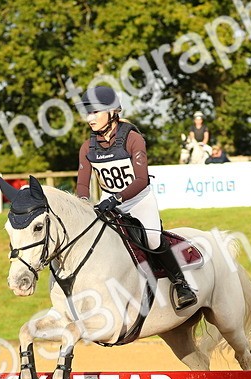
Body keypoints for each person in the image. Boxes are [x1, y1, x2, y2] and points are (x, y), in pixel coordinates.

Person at [74, 85, 197, 311]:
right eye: (88, 113)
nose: (90, 118)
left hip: (138, 200)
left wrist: (116, 198)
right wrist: (82, 205)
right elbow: (82, 184)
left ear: (112, 112)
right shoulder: (87, 147)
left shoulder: (133, 139)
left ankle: (181, 284)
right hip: (108, 201)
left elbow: (141, 180)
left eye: (95, 112)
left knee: (152, 239)